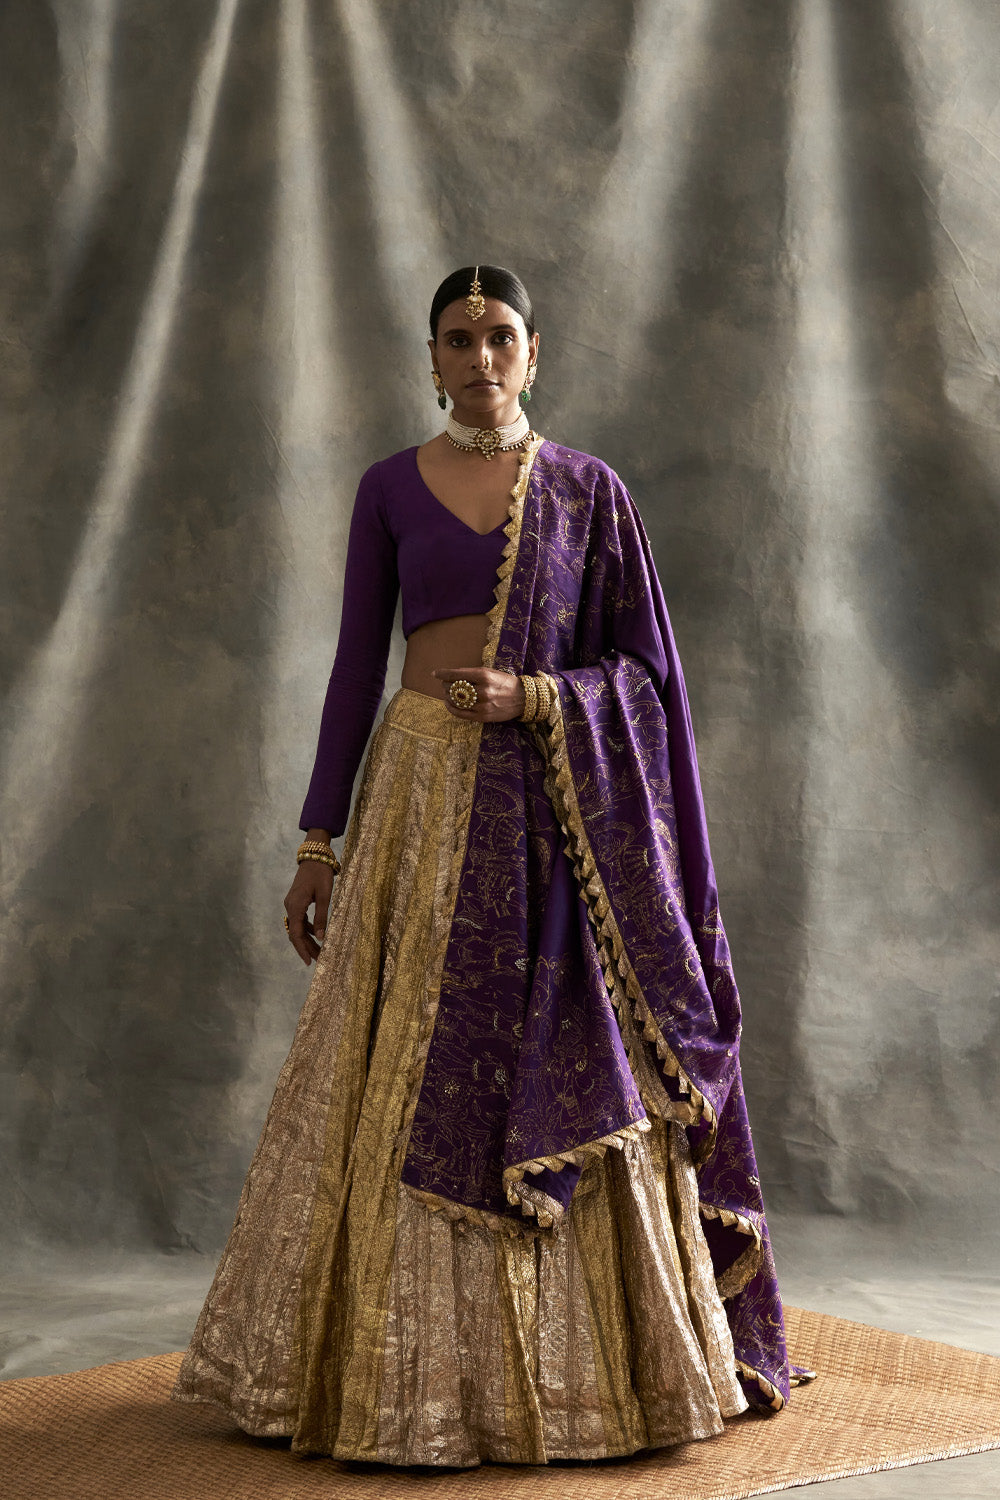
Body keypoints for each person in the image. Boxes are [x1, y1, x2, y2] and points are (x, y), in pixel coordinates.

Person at [172, 264, 811, 1466]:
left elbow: (647, 680)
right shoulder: (386, 489)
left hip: (551, 806)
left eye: (500, 337)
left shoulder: (588, 491)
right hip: (416, 794)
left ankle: (593, 1385)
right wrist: (317, 840)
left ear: (533, 352)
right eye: (458, 339)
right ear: (430, 359)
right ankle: (395, 1384)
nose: (480, 357)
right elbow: (355, 668)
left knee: (547, 1042)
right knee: (404, 1054)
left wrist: (537, 700)